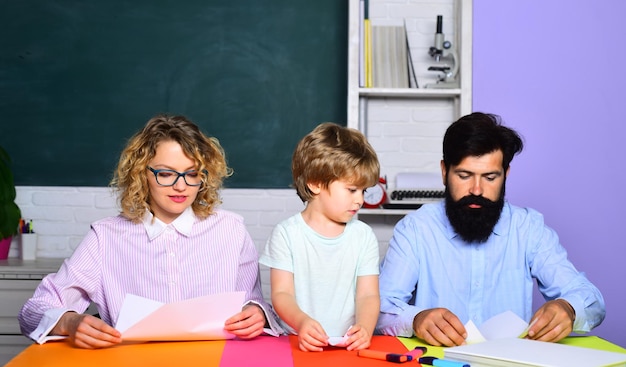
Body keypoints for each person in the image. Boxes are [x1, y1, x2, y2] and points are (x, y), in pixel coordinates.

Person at [18, 114, 283, 348]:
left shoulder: (231, 230)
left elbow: (253, 302)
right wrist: (70, 322)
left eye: (192, 174)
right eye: (166, 174)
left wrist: (256, 312)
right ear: (140, 174)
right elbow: (34, 310)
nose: (181, 187)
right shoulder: (106, 237)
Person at [377, 112, 606, 346]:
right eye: (464, 175)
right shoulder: (416, 230)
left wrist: (568, 308)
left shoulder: (528, 229)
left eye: (490, 177)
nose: (477, 190)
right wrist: (416, 319)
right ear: (445, 172)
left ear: (505, 174)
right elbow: (379, 307)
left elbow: (591, 299)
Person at [259, 122, 381, 352]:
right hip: (295, 342)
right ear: (315, 183)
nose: (360, 200)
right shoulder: (287, 234)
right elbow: (282, 294)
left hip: (347, 345)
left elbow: (368, 294)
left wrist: (364, 327)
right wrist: (302, 322)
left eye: (363, 191)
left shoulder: (363, 236)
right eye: (352, 189)